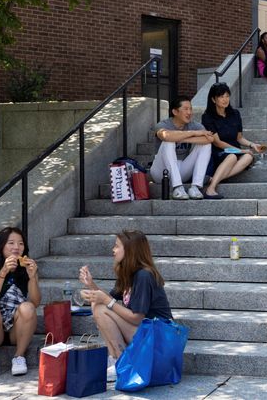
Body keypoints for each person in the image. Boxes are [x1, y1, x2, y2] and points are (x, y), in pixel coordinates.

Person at [80, 230, 172, 382]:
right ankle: (115, 358)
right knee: (97, 304)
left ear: (129, 250)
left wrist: (106, 301)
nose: (113, 250)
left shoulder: (144, 275)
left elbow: (136, 317)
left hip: (158, 339)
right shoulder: (129, 273)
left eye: (116, 246)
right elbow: (108, 299)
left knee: (102, 308)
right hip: (144, 333)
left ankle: (121, 362)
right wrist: (91, 284)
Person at [0, 226, 40, 378]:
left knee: (28, 307)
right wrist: (3, 272)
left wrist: (32, 277)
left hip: (16, 329)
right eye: (11, 243)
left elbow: (35, 302)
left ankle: (19, 357)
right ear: (1, 246)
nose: (16, 247)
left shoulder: (28, 267)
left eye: (20, 243)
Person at [201, 82, 267, 199]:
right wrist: (240, 151)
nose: (225, 99)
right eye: (221, 96)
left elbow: (239, 138)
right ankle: (211, 188)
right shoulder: (207, 117)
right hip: (219, 152)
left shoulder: (235, 114)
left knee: (249, 156)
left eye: (227, 96)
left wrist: (252, 145)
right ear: (213, 99)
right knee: (232, 156)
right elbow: (217, 142)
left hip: (235, 151)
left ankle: (215, 178)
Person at [149, 96, 213, 200]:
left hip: (182, 169)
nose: (189, 112)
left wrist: (183, 139)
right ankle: (177, 187)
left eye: (190, 109)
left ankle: (195, 187)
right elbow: (166, 136)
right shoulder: (163, 124)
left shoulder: (194, 125)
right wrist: (193, 134)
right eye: (186, 109)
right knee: (168, 142)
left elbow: (209, 139)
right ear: (175, 111)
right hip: (161, 171)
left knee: (206, 145)